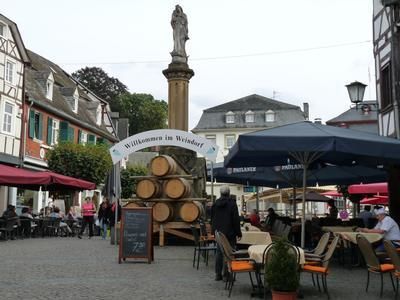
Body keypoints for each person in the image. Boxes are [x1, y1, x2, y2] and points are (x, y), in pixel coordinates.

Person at [211, 185, 242, 281]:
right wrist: (238, 233)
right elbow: (235, 220)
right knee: (229, 253)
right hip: (230, 233)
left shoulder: (215, 204)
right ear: (228, 193)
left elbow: (212, 219)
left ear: (220, 193)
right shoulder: (232, 204)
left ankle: (218, 274)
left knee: (219, 253)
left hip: (219, 233)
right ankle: (227, 275)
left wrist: (214, 231)